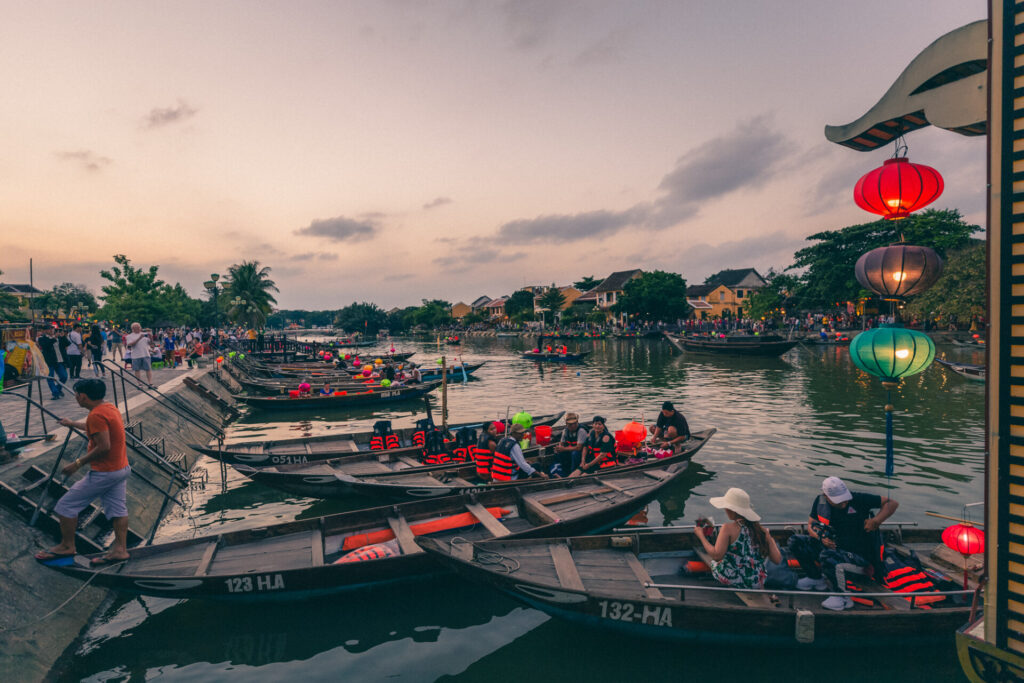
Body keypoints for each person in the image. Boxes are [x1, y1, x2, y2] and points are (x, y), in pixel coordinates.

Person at [34, 379, 131, 565]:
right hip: (121, 468)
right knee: (118, 510)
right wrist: (71, 423)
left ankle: (67, 546)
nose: (76, 397)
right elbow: (97, 429)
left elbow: (104, 446)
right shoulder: (108, 408)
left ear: (83, 396)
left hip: (105, 472)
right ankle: (120, 550)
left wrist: (77, 464)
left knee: (65, 506)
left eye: (76, 394)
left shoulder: (96, 415)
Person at [787, 476, 899, 611]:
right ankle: (815, 578)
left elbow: (892, 503)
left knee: (827, 556)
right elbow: (811, 525)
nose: (844, 503)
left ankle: (841, 595)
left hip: (858, 557)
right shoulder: (820, 501)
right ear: (826, 496)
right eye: (838, 501)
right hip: (831, 548)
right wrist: (821, 538)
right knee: (795, 541)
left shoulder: (858, 499)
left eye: (844, 499)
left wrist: (876, 521)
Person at [694, 487, 781, 589]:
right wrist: (768, 537)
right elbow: (777, 560)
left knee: (715, 563)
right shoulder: (762, 531)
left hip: (734, 580)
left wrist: (701, 536)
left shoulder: (727, 528)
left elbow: (716, 556)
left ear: (732, 510)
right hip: (756, 581)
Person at [36, 326, 69, 400]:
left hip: (59, 360)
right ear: (44, 331)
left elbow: (67, 343)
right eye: (49, 329)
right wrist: (54, 338)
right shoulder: (42, 338)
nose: (51, 330)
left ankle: (58, 389)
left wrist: (63, 336)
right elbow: (46, 345)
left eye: (52, 329)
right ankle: (55, 393)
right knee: (50, 377)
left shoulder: (58, 337)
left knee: (64, 376)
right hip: (49, 361)